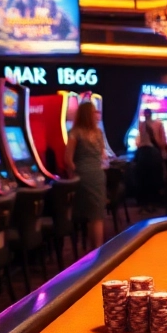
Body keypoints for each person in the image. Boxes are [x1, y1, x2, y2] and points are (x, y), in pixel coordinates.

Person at [64, 100, 107, 249]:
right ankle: (98, 250)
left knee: (90, 216)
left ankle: (93, 250)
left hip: (83, 176)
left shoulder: (74, 133)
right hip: (98, 175)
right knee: (97, 216)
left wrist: (75, 172)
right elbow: (102, 155)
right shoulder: (98, 133)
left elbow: (68, 160)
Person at [133, 109, 167, 214]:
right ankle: (148, 204)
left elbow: (162, 142)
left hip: (148, 153)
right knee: (147, 179)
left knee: (148, 179)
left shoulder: (155, 124)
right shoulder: (143, 125)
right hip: (148, 153)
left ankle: (149, 204)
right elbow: (162, 142)